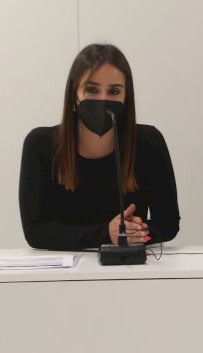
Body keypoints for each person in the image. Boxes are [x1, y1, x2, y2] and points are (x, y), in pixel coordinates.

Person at [20, 43, 179, 250]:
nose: (103, 100)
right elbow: (35, 232)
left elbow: (168, 225)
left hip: (129, 266)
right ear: (74, 94)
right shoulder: (40, 144)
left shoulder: (149, 142)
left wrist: (133, 233)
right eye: (92, 90)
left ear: (126, 97)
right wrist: (107, 234)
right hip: (66, 267)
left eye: (114, 91)